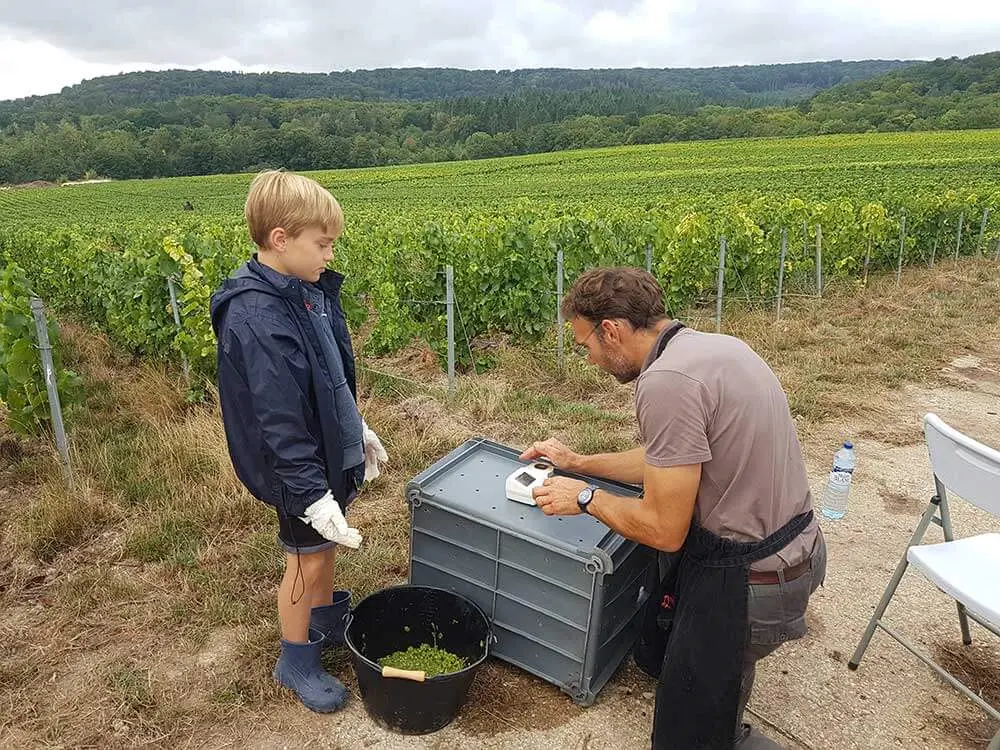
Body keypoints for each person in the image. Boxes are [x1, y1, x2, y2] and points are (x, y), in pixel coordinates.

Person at [522, 267, 826, 749]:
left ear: (612, 331)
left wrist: (584, 497)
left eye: (586, 346)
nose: (590, 359)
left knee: (686, 734)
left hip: (752, 583)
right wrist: (578, 462)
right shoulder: (716, 349)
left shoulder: (664, 383)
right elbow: (671, 459)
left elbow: (665, 530)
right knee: (688, 673)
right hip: (799, 551)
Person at [209, 169, 388, 713]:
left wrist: (354, 424)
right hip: (295, 468)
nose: (330, 254)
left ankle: (325, 622)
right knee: (304, 557)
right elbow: (279, 420)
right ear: (280, 240)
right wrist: (310, 492)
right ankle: (295, 659)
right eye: (322, 243)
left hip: (325, 450)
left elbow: (326, 373)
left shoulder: (305, 292)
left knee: (324, 545)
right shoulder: (257, 316)